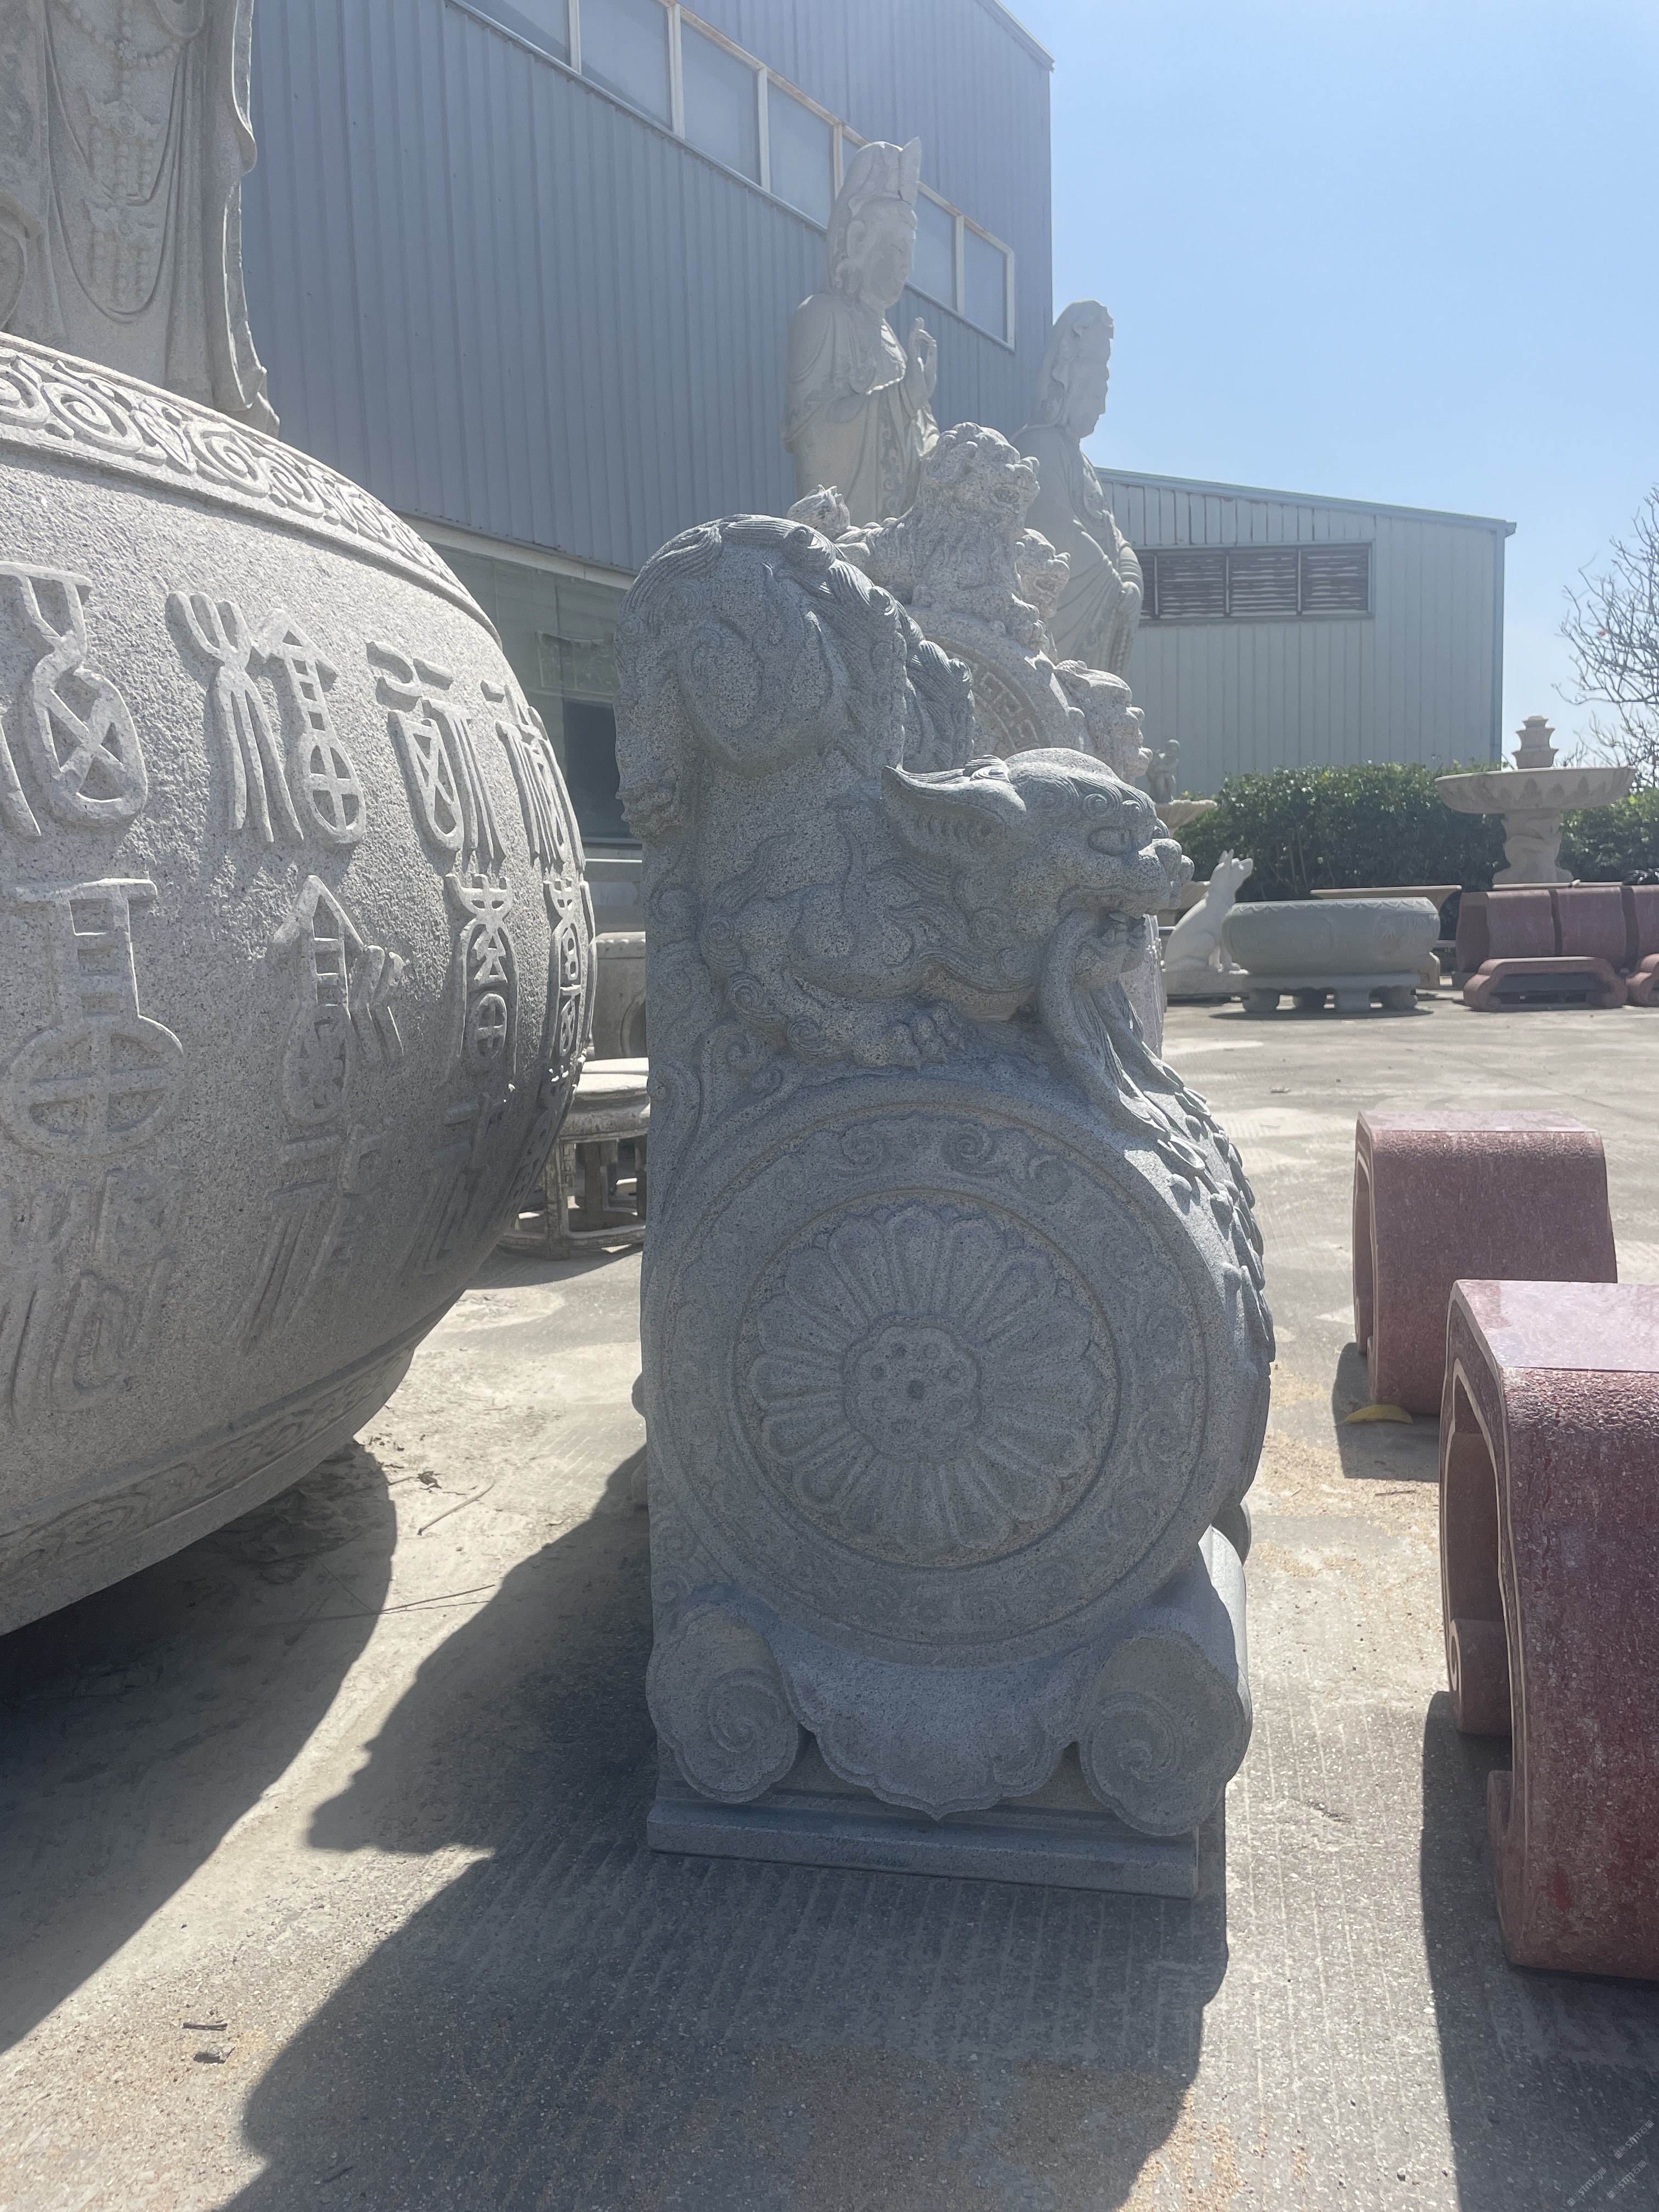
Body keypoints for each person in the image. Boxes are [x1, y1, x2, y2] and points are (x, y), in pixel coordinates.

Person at [783, 139, 938, 526]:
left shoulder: (896, 346)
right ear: (857, 241)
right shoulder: (822, 317)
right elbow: (815, 440)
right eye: (897, 250)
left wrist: (951, 456)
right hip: (850, 534)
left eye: (911, 254)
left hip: (899, 536)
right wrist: (902, 398)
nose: (907, 267)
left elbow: (923, 437)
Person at [1014, 300, 1141, 678]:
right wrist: (1112, 584)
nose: (1102, 406)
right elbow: (1055, 530)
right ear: (1068, 378)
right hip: (1061, 629)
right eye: (1097, 393)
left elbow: (1114, 536)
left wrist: (1131, 579)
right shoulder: (1038, 446)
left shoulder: (1083, 464)